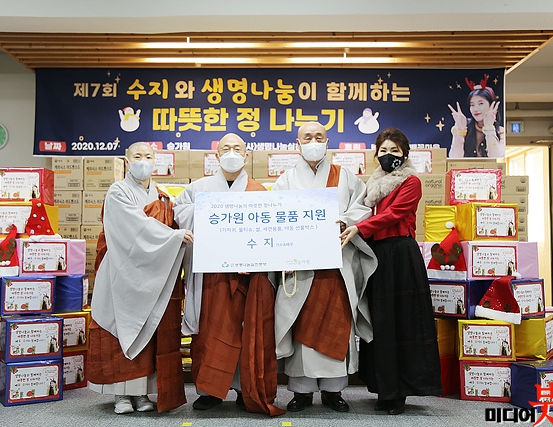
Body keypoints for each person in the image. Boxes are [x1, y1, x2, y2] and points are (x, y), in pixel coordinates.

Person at [174, 133, 283, 416]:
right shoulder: (198, 189)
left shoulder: (259, 192)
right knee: (211, 331)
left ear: (246, 156)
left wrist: (254, 259)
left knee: (245, 332)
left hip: (247, 277)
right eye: (226, 148)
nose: (231, 153)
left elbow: (270, 234)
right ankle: (209, 391)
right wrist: (206, 209)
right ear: (216, 155)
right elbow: (179, 216)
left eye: (237, 148)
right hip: (211, 276)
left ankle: (243, 388)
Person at [271, 121, 377, 413]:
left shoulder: (345, 176)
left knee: (336, 323)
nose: (313, 142)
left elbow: (362, 207)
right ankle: (301, 391)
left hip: (336, 266)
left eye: (319, 137)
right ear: (298, 143)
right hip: (300, 265)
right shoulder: (286, 179)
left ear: (327, 142)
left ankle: (334, 390)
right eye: (307, 137)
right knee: (301, 324)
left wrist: (345, 221)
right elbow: (275, 217)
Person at [340, 127, 442, 415]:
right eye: (383, 151)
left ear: (405, 154)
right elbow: (359, 211)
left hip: (401, 256)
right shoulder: (372, 184)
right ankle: (383, 388)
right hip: (376, 256)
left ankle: (400, 393)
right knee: (380, 321)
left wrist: (359, 228)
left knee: (403, 321)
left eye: (394, 151)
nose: (388, 155)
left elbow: (394, 214)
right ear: (376, 155)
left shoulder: (411, 181)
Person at [87, 141, 194, 414]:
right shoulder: (117, 191)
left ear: (155, 160)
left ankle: (141, 393)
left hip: (151, 275)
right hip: (121, 271)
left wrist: (177, 237)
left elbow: (170, 229)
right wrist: (173, 237)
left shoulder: (162, 197)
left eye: (148, 156)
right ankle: (120, 395)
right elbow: (133, 227)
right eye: (137, 156)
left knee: (147, 334)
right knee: (120, 331)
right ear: (127, 159)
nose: (143, 160)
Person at [447, 74, 505, 158]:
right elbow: (454, 158)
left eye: (481, 103)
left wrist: (489, 128)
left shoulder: (500, 131)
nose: (475, 109)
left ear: (491, 105)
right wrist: (460, 131)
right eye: (472, 105)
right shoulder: (464, 126)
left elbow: (496, 158)